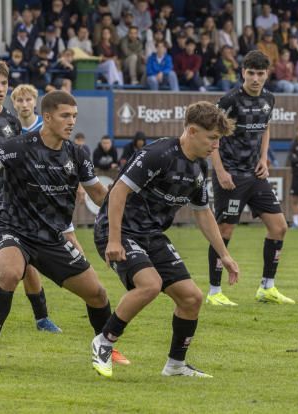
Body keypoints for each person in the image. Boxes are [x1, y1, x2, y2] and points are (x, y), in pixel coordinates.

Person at [93, 101, 238, 379]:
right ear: (193, 131)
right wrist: (113, 240)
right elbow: (118, 192)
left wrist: (224, 255)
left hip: (152, 235)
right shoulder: (158, 154)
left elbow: (203, 213)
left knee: (192, 298)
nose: (215, 146)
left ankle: (175, 365)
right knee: (150, 284)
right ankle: (104, 342)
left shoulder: (198, 168)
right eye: (212, 138)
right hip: (120, 231)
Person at [0, 90, 116, 370]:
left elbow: (100, 195)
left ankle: (105, 347)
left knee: (98, 294)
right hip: (12, 229)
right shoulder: (19, 146)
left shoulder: (77, 154)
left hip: (52, 239)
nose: (71, 122)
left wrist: (127, 211)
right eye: (65, 115)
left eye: (74, 116)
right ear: (48, 116)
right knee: (9, 272)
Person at [0, 61, 64, 334]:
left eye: (4, 84)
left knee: (24, 261)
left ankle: (42, 318)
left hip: (3, 204)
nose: (0, 88)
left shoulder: (11, 123)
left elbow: (21, 163)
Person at [208, 51, 294, 306]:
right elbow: (212, 136)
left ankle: (267, 287)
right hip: (231, 174)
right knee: (224, 231)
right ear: (243, 72)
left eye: (260, 73)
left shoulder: (269, 98)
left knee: (279, 227)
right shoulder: (230, 100)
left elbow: (266, 127)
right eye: (251, 73)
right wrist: (221, 171)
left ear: (267, 74)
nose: (255, 78)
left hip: (255, 174)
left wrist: (264, 158)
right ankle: (214, 292)